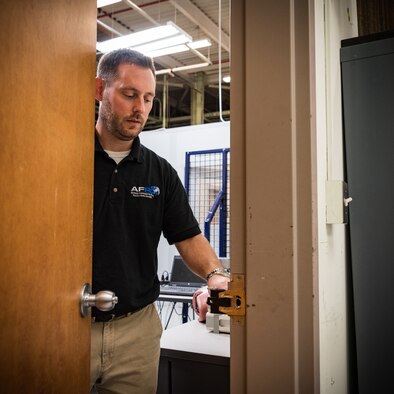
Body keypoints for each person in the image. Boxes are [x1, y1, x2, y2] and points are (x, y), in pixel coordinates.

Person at [91, 48, 230, 394]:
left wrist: (215, 275)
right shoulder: (63, 157)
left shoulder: (160, 173)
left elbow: (188, 236)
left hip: (136, 331)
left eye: (149, 98)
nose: (141, 109)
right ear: (99, 90)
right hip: (67, 324)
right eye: (129, 95)